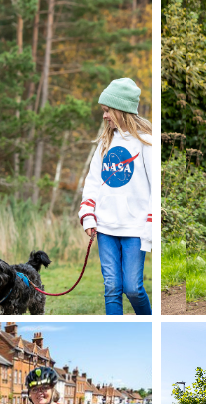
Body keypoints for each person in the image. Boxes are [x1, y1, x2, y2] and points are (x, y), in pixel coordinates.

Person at [78, 78, 152, 315]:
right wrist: (88, 215)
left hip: (134, 228)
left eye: (108, 110)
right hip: (106, 228)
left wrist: (150, 226)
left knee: (133, 288)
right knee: (111, 288)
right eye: (103, 111)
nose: (104, 116)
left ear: (122, 110)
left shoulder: (145, 142)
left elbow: (154, 188)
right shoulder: (104, 143)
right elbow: (92, 182)